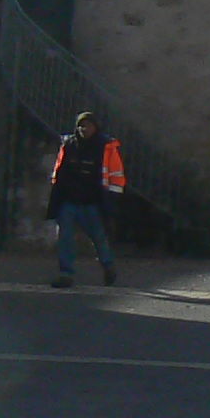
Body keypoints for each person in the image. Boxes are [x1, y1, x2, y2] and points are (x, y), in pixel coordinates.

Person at [48, 111, 125, 289]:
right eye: (81, 126)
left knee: (98, 237)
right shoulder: (69, 144)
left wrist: (111, 200)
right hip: (69, 200)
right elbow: (59, 169)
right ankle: (66, 274)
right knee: (65, 237)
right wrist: (57, 193)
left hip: (92, 201)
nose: (84, 129)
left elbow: (116, 175)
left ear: (95, 127)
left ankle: (108, 265)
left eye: (88, 125)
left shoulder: (106, 146)